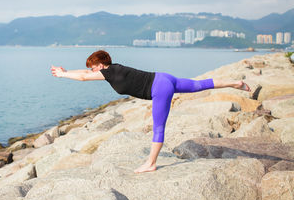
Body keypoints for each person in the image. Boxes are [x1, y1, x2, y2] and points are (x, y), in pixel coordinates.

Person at [51, 50, 251, 173]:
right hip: (163, 78)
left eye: (93, 67)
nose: (92, 70)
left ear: (101, 64)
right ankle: (236, 83)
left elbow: (85, 76)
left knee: (158, 127)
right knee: (199, 85)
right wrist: (66, 72)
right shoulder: (114, 69)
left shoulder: (109, 71)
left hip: (159, 89)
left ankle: (151, 163)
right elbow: (85, 73)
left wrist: (62, 74)